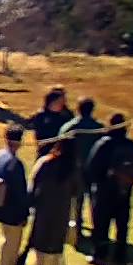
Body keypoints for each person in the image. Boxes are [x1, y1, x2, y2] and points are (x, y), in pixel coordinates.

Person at [86, 114, 133, 265]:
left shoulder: (103, 145)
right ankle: (120, 255)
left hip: (104, 193)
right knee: (122, 226)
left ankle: (100, 255)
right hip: (124, 193)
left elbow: (92, 167)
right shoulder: (132, 146)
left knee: (101, 226)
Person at [29, 138, 81, 265]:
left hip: (43, 213)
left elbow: (33, 187)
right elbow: (77, 191)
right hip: (61, 215)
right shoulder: (72, 169)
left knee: (40, 247)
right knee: (55, 250)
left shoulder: (45, 163)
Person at [59, 97, 103, 238]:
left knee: (76, 201)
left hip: (74, 169)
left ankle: (76, 229)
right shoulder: (98, 128)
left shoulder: (69, 128)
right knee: (94, 201)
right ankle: (98, 229)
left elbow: (61, 148)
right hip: (93, 169)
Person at [0, 124, 29, 265]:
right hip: (13, 213)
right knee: (11, 248)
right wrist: (24, 214)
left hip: (0, 207)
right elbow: (20, 193)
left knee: (5, 241)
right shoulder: (15, 164)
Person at [28, 87, 74, 159]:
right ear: (53, 102)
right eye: (61, 101)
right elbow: (39, 137)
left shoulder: (67, 115)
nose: (64, 103)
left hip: (62, 154)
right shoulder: (41, 115)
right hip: (45, 153)